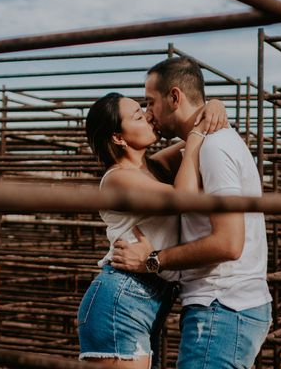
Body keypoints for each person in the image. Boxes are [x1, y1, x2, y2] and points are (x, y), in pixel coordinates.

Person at [111, 57, 272, 369]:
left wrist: (153, 259)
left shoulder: (213, 148)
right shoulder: (201, 145)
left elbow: (228, 243)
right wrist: (211, 107)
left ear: (174, 97)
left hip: (222, 305)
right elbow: (146, 167)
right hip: (224, 306)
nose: (148, 114)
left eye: (150, 102)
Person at [78, 92, 226, 369]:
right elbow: (184, 197)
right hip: (120, 299)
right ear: (118, 138)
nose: (148, 115)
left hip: (148, 299)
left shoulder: (154, 166)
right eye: (137, 115)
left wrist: (213, 105)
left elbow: (201, 130)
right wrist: (195, 136)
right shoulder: (118, 179)